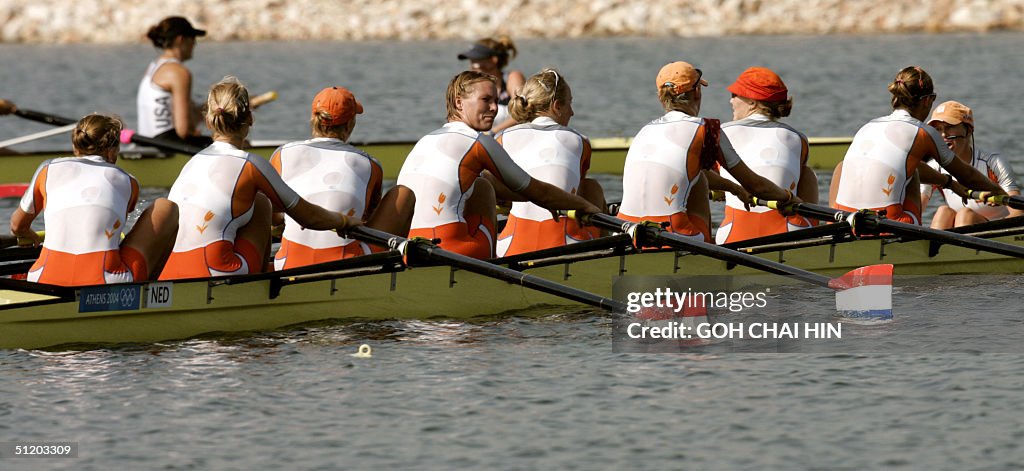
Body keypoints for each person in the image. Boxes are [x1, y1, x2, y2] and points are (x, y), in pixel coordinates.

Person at [159, 77, 358, 280]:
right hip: (216, 271)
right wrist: (345, 221)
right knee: (262, 202)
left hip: (170, 272)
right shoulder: (252, 165)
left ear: (209, 121)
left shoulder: (192, 162)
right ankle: (263, 283)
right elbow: (309, 218)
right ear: (250, 119)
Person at [395, 70, 603, 259]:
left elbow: (530, 193)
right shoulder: (479, 142)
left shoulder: (424, 140)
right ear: (459, 103)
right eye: (486, 100)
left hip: (411, 248)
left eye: (496, 100)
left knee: (480, 183)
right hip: (452, 251)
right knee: (484, 187)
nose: (495, 108)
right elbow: (539, 192)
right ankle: (490, 269)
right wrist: (583, 206)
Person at [618, 61, 798, 243]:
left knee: (697, 175)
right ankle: (710, 250)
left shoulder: (644, 130)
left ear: (660, 96)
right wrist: (789, 198)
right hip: (671, 235)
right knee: (701, 180)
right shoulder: (707, 128)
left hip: (624, 233)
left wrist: (733, 189)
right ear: (697, 92)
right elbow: (756, 186)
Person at [10, 114, 178, 286]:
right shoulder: (128, 181)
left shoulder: (47, 168)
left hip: (43, 278)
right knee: (165, 207)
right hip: (106, 281)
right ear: (111, 151)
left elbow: (17, 226)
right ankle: (154, 293)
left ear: (75, 147)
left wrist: (29, 235)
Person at [830, 66, 1004, 225]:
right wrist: (998, 191)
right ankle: (913, 241)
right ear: (927, 100)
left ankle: (833, 226)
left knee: (841, 167)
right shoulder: (923, 132)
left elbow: (904, 164)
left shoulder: (867, 126)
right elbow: (967, 176)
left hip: (847, 221)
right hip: (890, 225)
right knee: (911, 171)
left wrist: (948, 183)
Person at [270, 86, 415, 270]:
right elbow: (367, 224)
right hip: (346, 262)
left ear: (313, 119)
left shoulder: (281, 154)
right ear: (350, 124)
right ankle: (394, 270)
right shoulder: (370, 165)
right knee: (404, 193)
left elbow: (274, 218)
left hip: (288, 263)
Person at [494, 68, 605, 257]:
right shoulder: (580, 141)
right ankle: (603, 252)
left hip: (510, 248)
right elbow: (574, 191)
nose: (572, 112)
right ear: (556, 106)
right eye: (569, 104)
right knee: (591, 186)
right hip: (564, 244)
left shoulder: (500, 138)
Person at [715, 66, 816, 244]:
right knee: (807, 173)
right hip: (790, 235)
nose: (731, 101)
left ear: (752, 102)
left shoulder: (719, 133)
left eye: (734, 95)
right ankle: (814, 237)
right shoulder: (798, 138)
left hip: (733, 236)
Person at [921, 100, 1023, 228]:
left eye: (949, 127)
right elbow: (918, 206)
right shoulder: (934, 167)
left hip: (998, 231)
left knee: (966, 214)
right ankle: (935, 246)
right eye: (938, 129)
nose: (943, 135)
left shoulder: (993, 162)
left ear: (968, 131)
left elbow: (1018, 213)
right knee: (943, 211)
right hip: (962, 234)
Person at [137, 16, 212, 147]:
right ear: (180, 40)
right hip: (166, 144)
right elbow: (184, 130)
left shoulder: (154, 66)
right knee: (233, 144)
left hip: (145, 142)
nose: (195, 44)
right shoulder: (179, 72)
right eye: (193, 39)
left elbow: (188, 114)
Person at [457, 37, 525, 133]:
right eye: (471, 61)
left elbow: (522, 112)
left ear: (493, 60)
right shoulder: (471, 85)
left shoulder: (512, 77)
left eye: (477, 59)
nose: (472, 66)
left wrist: (492, 133)